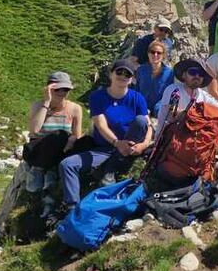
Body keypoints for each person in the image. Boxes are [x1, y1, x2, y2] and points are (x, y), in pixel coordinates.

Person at [57, 60, 152, 214]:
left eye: (127, 74)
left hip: (131, 147)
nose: (122, 76)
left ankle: (111, 170)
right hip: (104, 149)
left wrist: (144, 144)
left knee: (140, 120)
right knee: (67, 164)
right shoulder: (98, 96)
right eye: (119, 72)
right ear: (111, 74)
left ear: (132, 78)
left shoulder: (137, 98)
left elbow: (148, 125)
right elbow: (101, 125)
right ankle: (73, 208)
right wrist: (117, 143)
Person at [24, 71, 84, 199]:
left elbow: (76, 134)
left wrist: (71, 141)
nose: (62, 93)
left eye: (66, 89)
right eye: (58, 89)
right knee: (59, 135)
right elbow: (34, 130)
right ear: (49, 89)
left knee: (84, 141)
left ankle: (52, 172)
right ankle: (38, 170)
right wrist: (46, 102)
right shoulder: (38, 105)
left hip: (62, 148)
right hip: (39, 149)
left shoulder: (75, 108)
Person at [134, 40, 174, 119]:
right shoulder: (141, 70)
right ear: (148, 54)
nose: (155, 55)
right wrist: (142, 107)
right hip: (142, 107)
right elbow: (137, 90)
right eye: (152, 52)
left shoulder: (169, 73)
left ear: (163, 55)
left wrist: (159, 108)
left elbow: (170, 94)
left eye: (159, 53)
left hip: (160, 108)